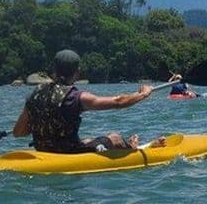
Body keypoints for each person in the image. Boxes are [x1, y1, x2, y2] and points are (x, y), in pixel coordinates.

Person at [13, 49, 173, 153]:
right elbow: (118, 102)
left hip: (42, 151)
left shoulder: (35, 94)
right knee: (115, 138)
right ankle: (134, 147)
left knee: (89, 140)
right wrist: (144, 94)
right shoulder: (76, 97)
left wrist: (40, 123)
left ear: (54, 71)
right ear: (77, 73)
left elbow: (18, 132)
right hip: (68, 153)